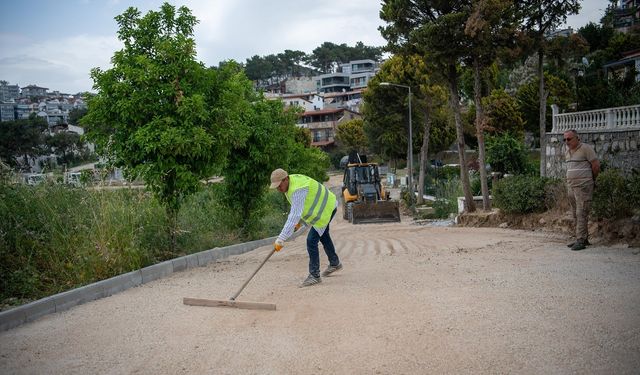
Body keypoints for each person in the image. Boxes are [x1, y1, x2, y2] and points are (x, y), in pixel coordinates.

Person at [269, 168, 342, 287]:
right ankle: (335, 263)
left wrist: (281, 239)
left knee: (311, 241)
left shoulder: (298, 188)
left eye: (279, 186)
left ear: (286, 179)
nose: (278, 189)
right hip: (327, 205)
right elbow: (302, 205)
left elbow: (294, 215)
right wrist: (299, 222)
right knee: (323, 236)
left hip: (325, 210)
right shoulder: (292, 183)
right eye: (276, 187)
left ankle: (314, 275)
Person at [563, 129, 600, 251]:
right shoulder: (567, 151)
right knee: (575, 213)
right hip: (571, 186)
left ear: (577, 138)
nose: (566, 141)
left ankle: (581, 240)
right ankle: (582, 238)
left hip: (583, 186)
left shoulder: (586, 148)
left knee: (581, 212)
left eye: (569, 139)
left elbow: (595, 165)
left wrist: (592, 180)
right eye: (565, 139)